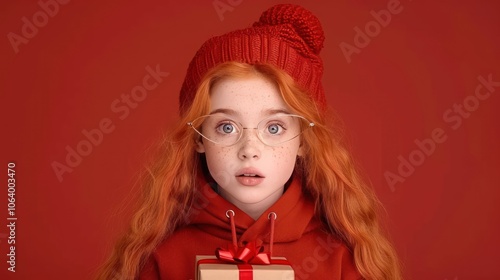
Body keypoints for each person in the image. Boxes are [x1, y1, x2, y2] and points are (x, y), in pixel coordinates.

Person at [96, 4, 402, 280]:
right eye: (227, 127)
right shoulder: (159, 259)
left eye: (274, 127)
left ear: (304, 141)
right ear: (198, 137)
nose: (250, 150)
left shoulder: (344, 260)